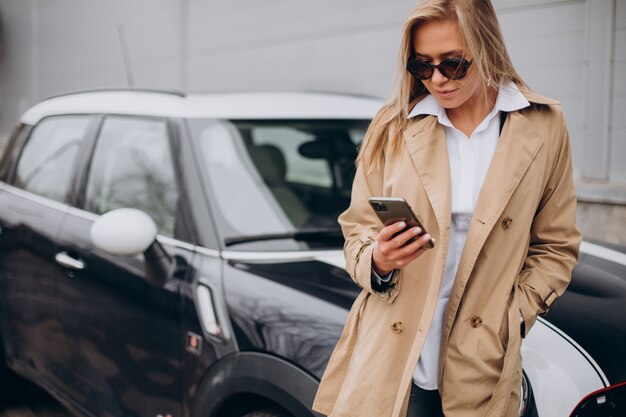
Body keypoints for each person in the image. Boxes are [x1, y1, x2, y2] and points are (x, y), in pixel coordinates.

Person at [312, 0, 581, 416]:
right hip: (396, 354)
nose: (436, 78)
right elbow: (357, 231)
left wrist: (513, 317)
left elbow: (556, 244)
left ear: (487, 48)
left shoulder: (543, 124)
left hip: (482, 360)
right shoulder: (393, 125)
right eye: (422, 66)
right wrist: (380, 260)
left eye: (453, 64)